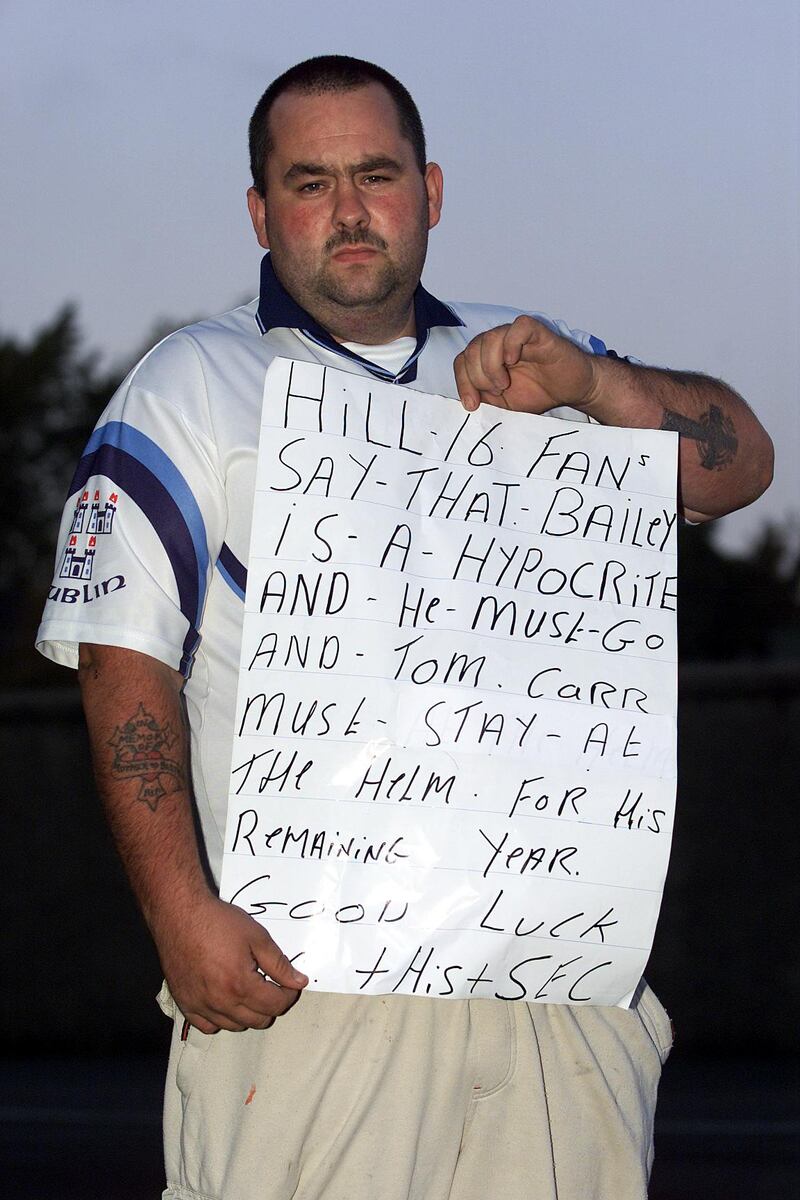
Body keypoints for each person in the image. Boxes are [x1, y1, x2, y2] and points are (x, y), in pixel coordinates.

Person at [37, 55, 772, 1200]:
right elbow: (119, 657)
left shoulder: (533, 360)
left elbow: (739, 466)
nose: (346, 212)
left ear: (430, 191)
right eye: (308, 180)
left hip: (556, 997)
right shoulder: (189, 386)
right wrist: (180, 915)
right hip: (317, 1001)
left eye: (374, 176)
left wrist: (593, 385)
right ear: (258, 209)